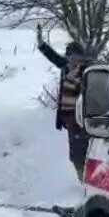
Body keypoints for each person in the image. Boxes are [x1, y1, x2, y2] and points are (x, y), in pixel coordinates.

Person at [37, 25, 89, 178]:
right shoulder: (66, 68)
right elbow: (52, 56)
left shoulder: (86, 71)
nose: (72, 61)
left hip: (82, 120)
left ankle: (86, 179)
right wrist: (41, 44)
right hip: (69, 120)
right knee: (74, 156)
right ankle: (82, 177)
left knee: (82, 154)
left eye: (75, 58)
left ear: (81, 58)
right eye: (69, 58)